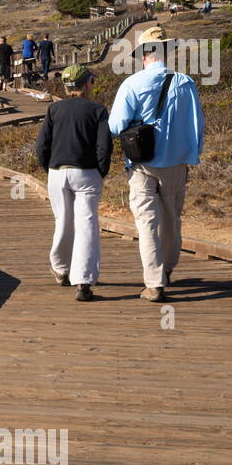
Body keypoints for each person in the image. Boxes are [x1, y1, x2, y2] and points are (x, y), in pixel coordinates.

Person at [108, 25, 206, 302]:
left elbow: (116, 126)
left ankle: (154, 282)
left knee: (146, 222)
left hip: (141, 163)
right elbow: (197, 124)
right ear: (168, 52)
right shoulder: (186, 82)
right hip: (176, 163)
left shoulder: (132, 84)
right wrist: (192, 154)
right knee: (172, 220)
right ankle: (168, 269)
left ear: (143, 55)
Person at [35, 65, 112, 302]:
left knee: (63, 220)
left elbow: (42, 145)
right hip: (86, 172)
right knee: (87, 223)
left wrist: (49, 167)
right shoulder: (97, 110)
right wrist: (101, 171)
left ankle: (60, 268)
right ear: (86, 83)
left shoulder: (54, 109)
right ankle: (84, 281)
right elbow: (104, 146)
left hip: (58, 172)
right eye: (91, 81)